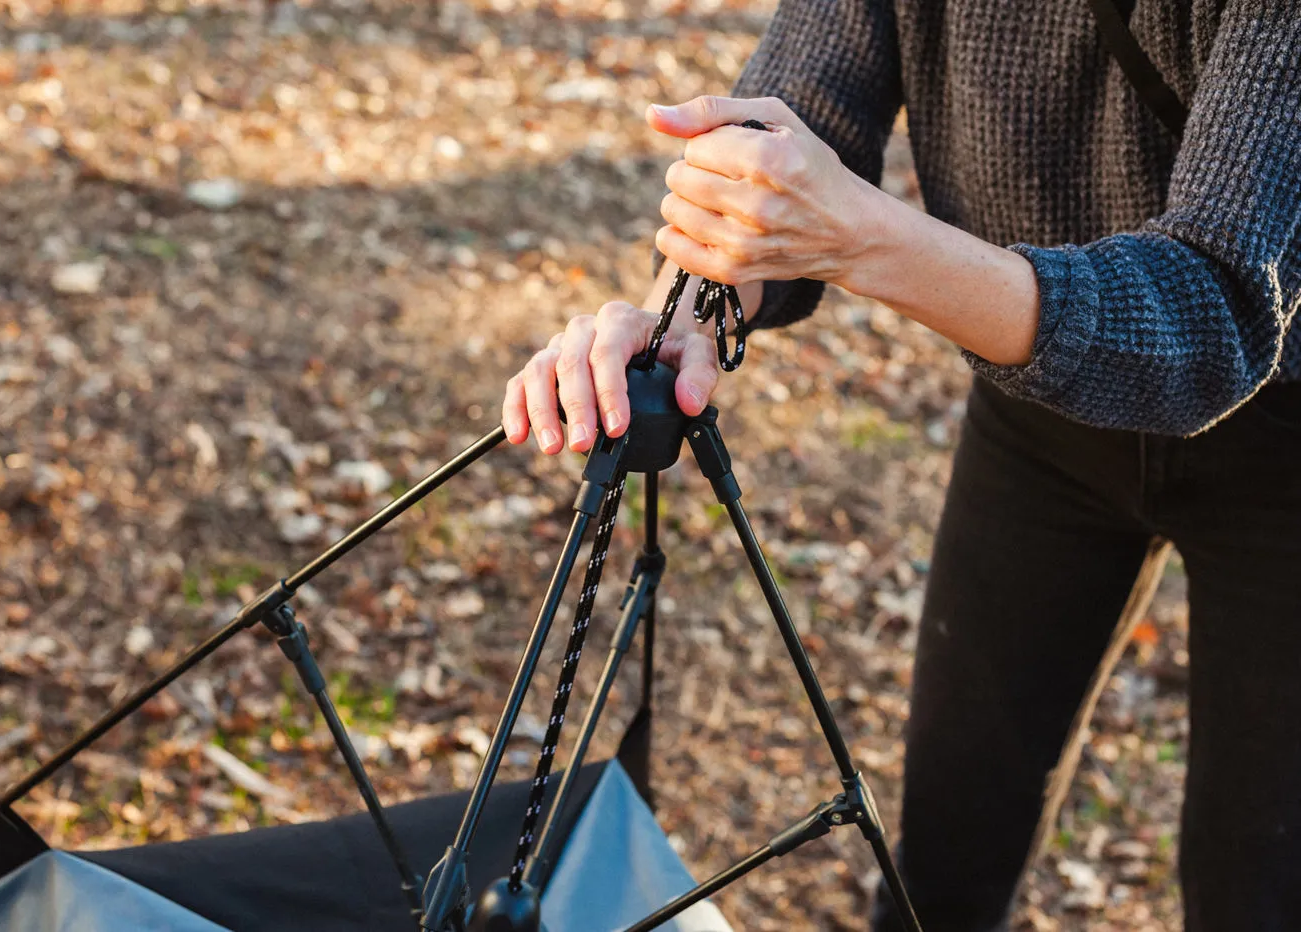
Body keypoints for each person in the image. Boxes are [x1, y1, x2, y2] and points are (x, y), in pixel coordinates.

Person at [500, 1, 1301, 930]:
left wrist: (867, 237)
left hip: (1284, 445)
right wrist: (680, 313)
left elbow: (1211, 316)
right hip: (1038, 417)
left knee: (1258, 885)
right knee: (947, 853)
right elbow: (798, 118)